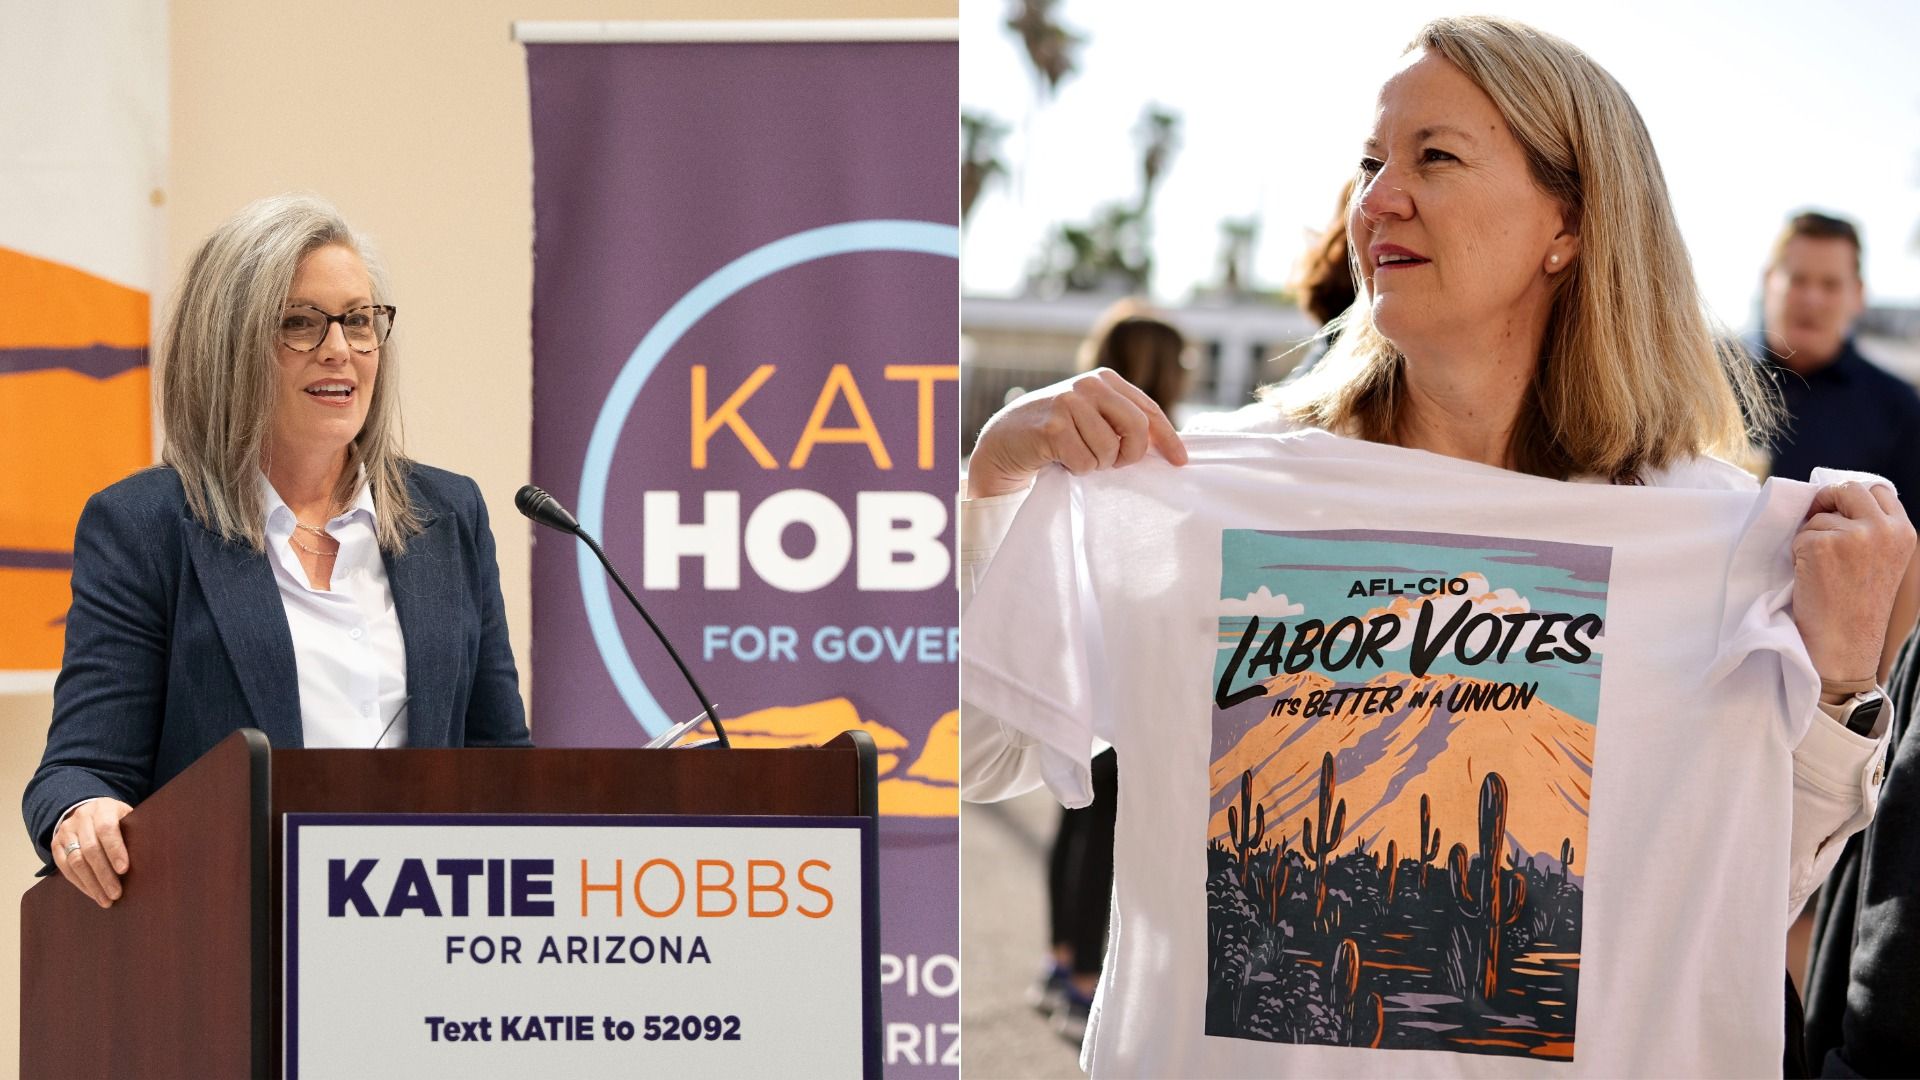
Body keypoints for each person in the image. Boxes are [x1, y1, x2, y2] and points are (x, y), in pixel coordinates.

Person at [961, 16, 1909, 1075]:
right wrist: (992, 488)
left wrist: (1838, 691)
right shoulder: (1207, 491)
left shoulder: (1702, 535)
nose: (1376, 200)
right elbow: (975, 753)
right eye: (1370, 163)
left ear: (1571, 219)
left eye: (1434, 158)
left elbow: (1732, 893)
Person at [23, 194, 532, 908]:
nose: (340, 348)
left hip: (428, 941)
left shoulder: (447, 517)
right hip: (233, 940)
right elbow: (78, 772)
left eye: (359, 320)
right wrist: (84, 817)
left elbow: (501, 762)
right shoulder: (146, 527)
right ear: (226, 345)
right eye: (300, 322)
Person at [1031, 300, 1189, 1043]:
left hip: (1070, 663)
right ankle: (1085, 976)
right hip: (1126, 669)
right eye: (1180, 362)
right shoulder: (1161, 459)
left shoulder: (1068, 447)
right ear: (1159, 369)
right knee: (1105, 825)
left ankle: (1062, 958)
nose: (1188, 374)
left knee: (1073, 813)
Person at [1754, 211, 1920, 680]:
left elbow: (1910, 554)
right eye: (1798, 279)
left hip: (1827, 666)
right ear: (1770, 280)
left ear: (1857, 296)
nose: (1812, 298)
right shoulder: (1708, 381)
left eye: (1830, 284)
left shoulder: (1896, 405)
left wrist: (1881, 685)